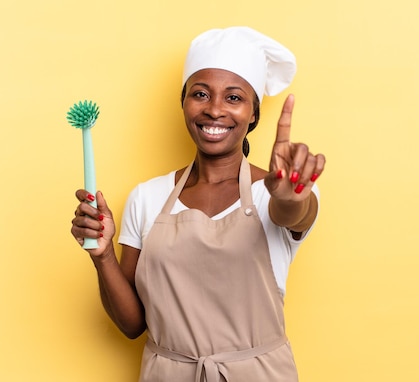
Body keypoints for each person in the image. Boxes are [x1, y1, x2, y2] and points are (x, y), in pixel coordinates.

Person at [71, 26, 326, 382]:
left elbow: (295, 213)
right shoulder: (147, 197)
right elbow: (132, 326)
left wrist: (290, 198)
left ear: (254, 114)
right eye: (201, 94)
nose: (215, 109)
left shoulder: (277, 192)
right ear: (184, 102)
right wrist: (103, 256)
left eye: (234, 98)